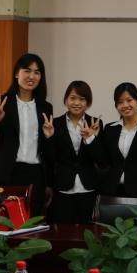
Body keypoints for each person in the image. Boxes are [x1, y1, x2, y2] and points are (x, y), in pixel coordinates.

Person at [0, 53, 53, 215]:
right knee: (5, 222)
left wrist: (48, 137)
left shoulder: (45, 107)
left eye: (37, 72)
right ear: (17, 73)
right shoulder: (2, 102)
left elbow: (48, 151)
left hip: (35, 175)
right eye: (27, 70)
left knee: (32, 222)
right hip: (7, 173)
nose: (32, 76)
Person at [43, 80, 101, 224]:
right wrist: (49, 137)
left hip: (88, 187)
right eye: (73, 98)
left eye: (82, 99)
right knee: (64, 230)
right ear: (66, 100)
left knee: (88, 231)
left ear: (88, 102)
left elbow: (102, 160)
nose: (77, 103)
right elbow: (50, 159)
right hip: (63, 186)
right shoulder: (55, 123)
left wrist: (91, 139)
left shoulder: (95, 123)